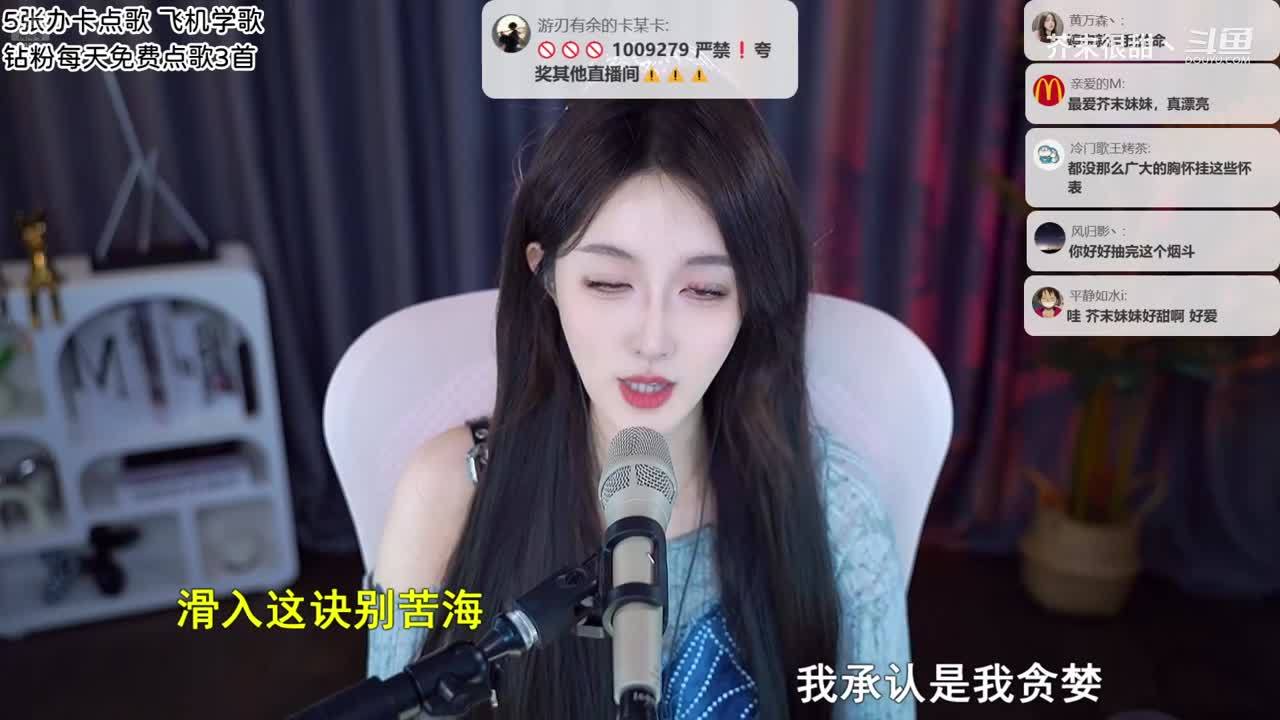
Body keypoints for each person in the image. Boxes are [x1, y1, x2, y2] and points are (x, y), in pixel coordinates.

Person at [366, 99, 915, 719]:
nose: (653, 340)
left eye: (704, 289)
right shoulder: (445, 492)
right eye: (608, 283)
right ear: (545, 276)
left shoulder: (835, 505)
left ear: (753, 296)